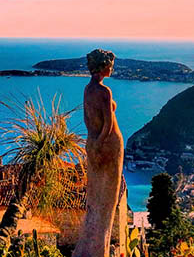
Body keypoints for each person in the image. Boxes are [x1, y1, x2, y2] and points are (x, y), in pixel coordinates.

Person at [73, 49, 124, 257]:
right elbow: (109, 125)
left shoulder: (87, 89)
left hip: (93, 142)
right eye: (110, 65)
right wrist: (100, 144)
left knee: (95, 198)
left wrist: (92, 143)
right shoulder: (104, 92)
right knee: (107, 201)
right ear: (103, 66)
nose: (112, 68)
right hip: (110, 145)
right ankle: (97, 251)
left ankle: (86, 248)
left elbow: (88, 120)